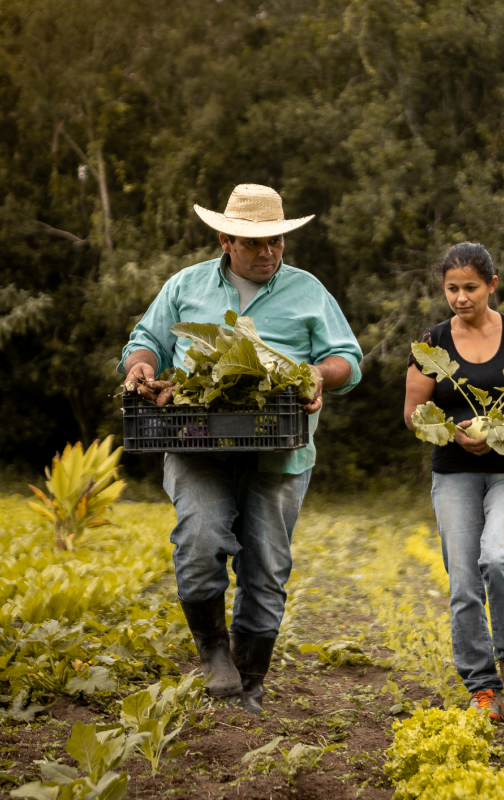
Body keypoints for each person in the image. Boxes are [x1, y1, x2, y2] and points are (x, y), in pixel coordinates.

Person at [120, 184, 362, 714]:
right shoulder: (186, 285)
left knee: (267, 568)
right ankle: (214, 654)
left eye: (276, 241)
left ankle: (248, 683)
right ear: (226, 239)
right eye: (255, 243)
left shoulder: (307, 290)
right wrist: (141, 363)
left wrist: (317, 374)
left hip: (280, 451)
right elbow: (149, 340)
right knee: (200, 540)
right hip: (196, 442)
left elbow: (347, 357)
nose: (268, 252)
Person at [402, 242, 504, 721]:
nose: (461, 298)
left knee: (499, 556)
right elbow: (413, 415)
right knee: (464, 582)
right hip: (455, 472)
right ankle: (481, 687)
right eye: (452, 289)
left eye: (470, 288)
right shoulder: (432, 341)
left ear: (492, 284)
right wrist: (452, 435)